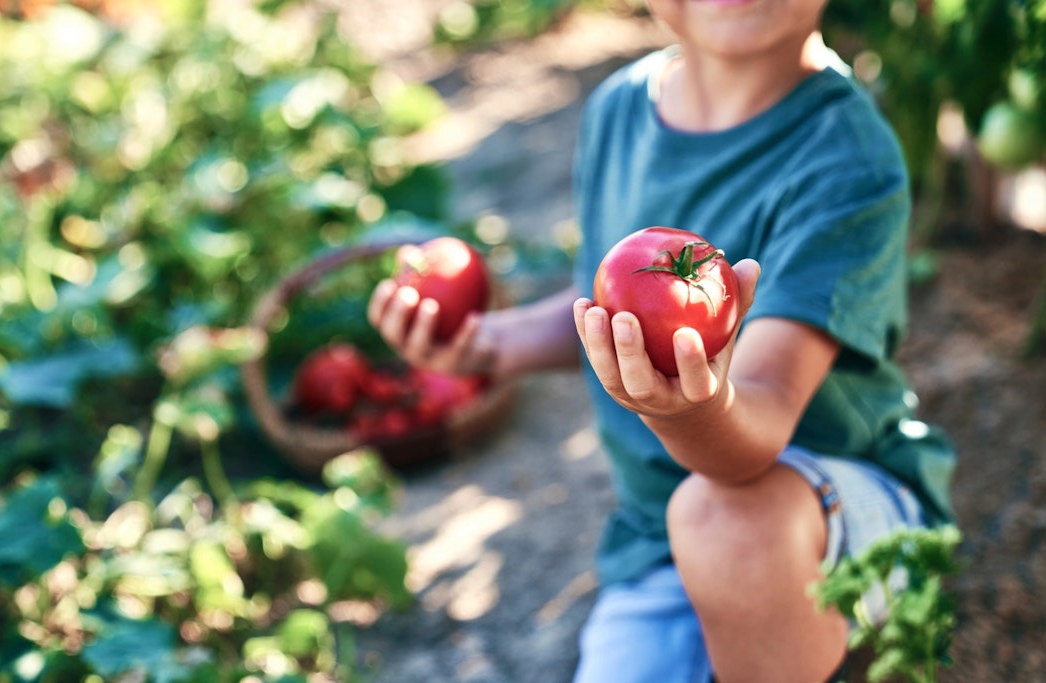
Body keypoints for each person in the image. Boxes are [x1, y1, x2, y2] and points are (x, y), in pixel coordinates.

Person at [367, 0, 957, 680]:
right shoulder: (619, 110)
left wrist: (692, 412)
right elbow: (608, 312)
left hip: (842, 511)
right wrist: (487, 342)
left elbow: (756, 426)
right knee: (697, 532)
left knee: (725, 522)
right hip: (662, 538)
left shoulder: (847, 157)